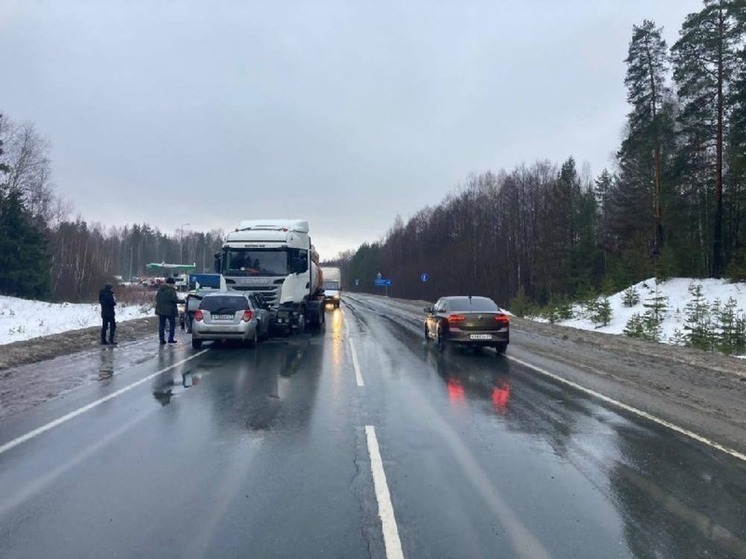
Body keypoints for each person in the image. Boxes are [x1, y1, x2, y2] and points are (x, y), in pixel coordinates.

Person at [155, 277, 180, 344]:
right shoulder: (171, 290)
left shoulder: (160, 289)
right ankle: (170, 339)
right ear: (172, 284)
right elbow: (175, 300)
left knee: (162, 325)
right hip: (170, 311)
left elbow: (157, 298)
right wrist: (183, 301)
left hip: (160, 310)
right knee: (172, 325)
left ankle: (161, 339)